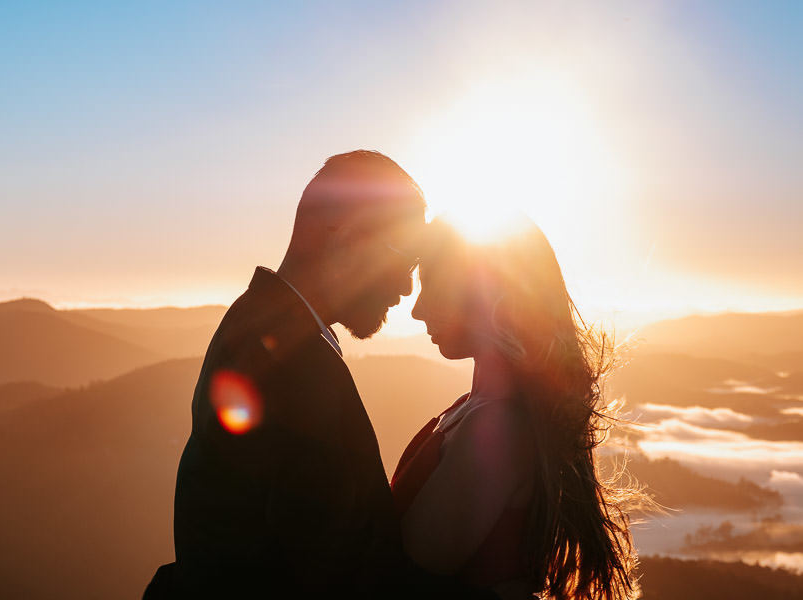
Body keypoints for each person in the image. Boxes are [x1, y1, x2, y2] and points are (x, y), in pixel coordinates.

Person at [144, 151, 493, 598]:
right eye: (402, 257)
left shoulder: (258, 326)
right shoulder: (296, 372)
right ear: (340, 233)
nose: (407, 288)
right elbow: (350, 578)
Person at [391, 217, 639, 599]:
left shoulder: (497, 428)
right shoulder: (474, 409)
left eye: (433, 288)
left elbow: (403, 576)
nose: (417, 311)